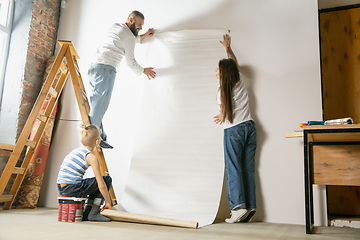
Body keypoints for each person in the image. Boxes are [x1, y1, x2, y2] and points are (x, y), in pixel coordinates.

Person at [88, 10, 156, 149]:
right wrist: (144, 70)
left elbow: (128, 38)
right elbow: (131, 62)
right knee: (100, 106)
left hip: (95, 67)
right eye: (139, 24)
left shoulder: (116, 26)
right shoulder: (129, 37)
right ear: (131, 20)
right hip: (107, 69)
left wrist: (142, 35)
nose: (140, 28)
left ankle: (101, 135)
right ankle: (94, 138)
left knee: (97, 105)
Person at [214, 34, 257, 223]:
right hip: (250, 127)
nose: (215, 71)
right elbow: (234, 64)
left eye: (217, 69)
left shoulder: (222, 88)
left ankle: (238, 208)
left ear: (223, 72)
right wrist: (228, 50)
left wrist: (223, 115)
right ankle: (250, 205)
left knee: (233, 168)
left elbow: (224, 107)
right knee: (247, 168)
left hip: (234, 130)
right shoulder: (239, 80)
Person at [57, 124, 113, 222]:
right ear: (97, 141)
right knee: (106, 179)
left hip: (62, 187)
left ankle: (87, 212)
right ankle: (94, 212)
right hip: (72, 187)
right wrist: (108, 202)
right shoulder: (91, 157)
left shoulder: (75, 151)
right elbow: (101, 184)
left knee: (94, 183)